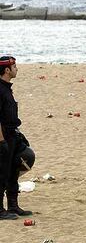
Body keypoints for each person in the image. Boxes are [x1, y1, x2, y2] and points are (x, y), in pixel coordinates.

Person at [0, 56, 33, 220]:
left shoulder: (7, 88)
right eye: (14, 66)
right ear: (7, 70)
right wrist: (1, 142)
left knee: (20, 162)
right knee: (2, 172)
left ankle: (13, 205)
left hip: (13, 134)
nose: (17, 69)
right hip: (3, 137)